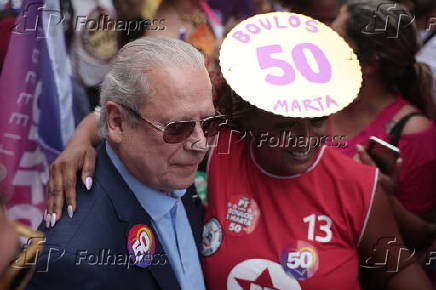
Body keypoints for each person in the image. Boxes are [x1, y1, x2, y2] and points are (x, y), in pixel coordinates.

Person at [43, 14, 432, 290]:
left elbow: (398, 270)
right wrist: (80, 142)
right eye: (283, 126)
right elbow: (138, 119)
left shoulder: (357, 186)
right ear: (244, 121)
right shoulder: (218, 144)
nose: (305, 138)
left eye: (317, 120)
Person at [25, 36, 224, 290]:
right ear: (117, 122)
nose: (200, 144)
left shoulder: (166, 168)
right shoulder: (72, 259)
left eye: (208, 123)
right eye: (177, 128)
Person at [330, 0, 436, 222]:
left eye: (335, 42)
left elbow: (423, 236)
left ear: (369, 64)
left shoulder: (412, 133)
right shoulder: (316, 105)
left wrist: (380, 196)